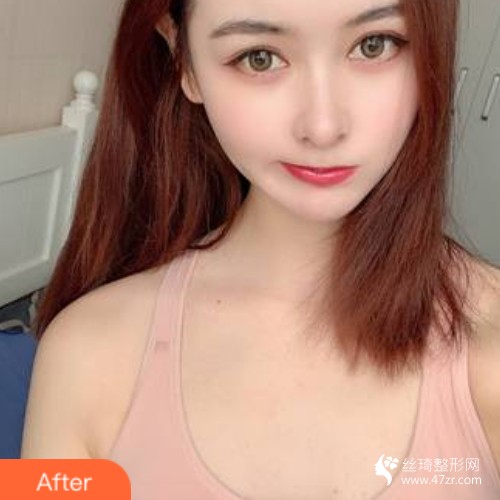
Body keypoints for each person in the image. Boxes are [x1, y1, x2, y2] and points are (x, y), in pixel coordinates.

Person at [21, 0, 500, 498]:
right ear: (185, 62)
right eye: (259, 58)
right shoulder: (80, 353)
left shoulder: (488, 343)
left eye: (373, 45)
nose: (323, 127)